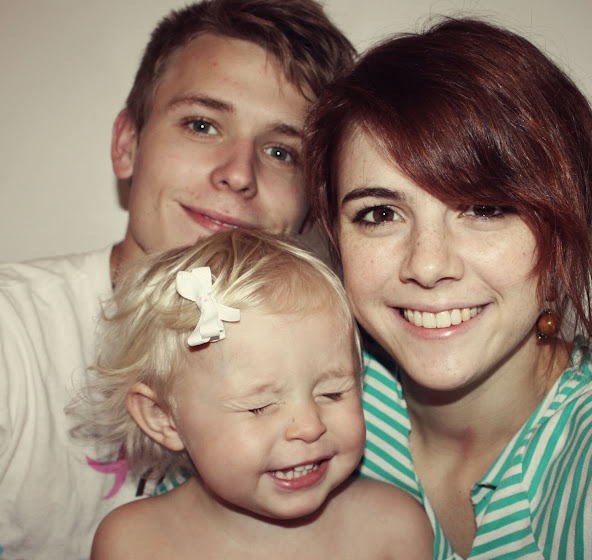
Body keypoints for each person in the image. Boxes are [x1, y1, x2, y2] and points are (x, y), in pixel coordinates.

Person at [0, 1, 355, 558]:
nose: (238, 173)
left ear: (313, 207)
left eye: (282, 151)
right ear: (127, 144)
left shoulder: (346, 373)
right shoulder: (11, 335)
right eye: (202, 124)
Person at [304, 17, 592, 559]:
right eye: (380, 213)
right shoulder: (308, 406)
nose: (428, 265)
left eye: (485, 208)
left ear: (562, 233)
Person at [68, 229, 433, 559]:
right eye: (260, 407)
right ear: (163, 418)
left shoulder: (397, 531)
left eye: (333, 393)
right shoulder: (133, 543)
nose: (309, 426)